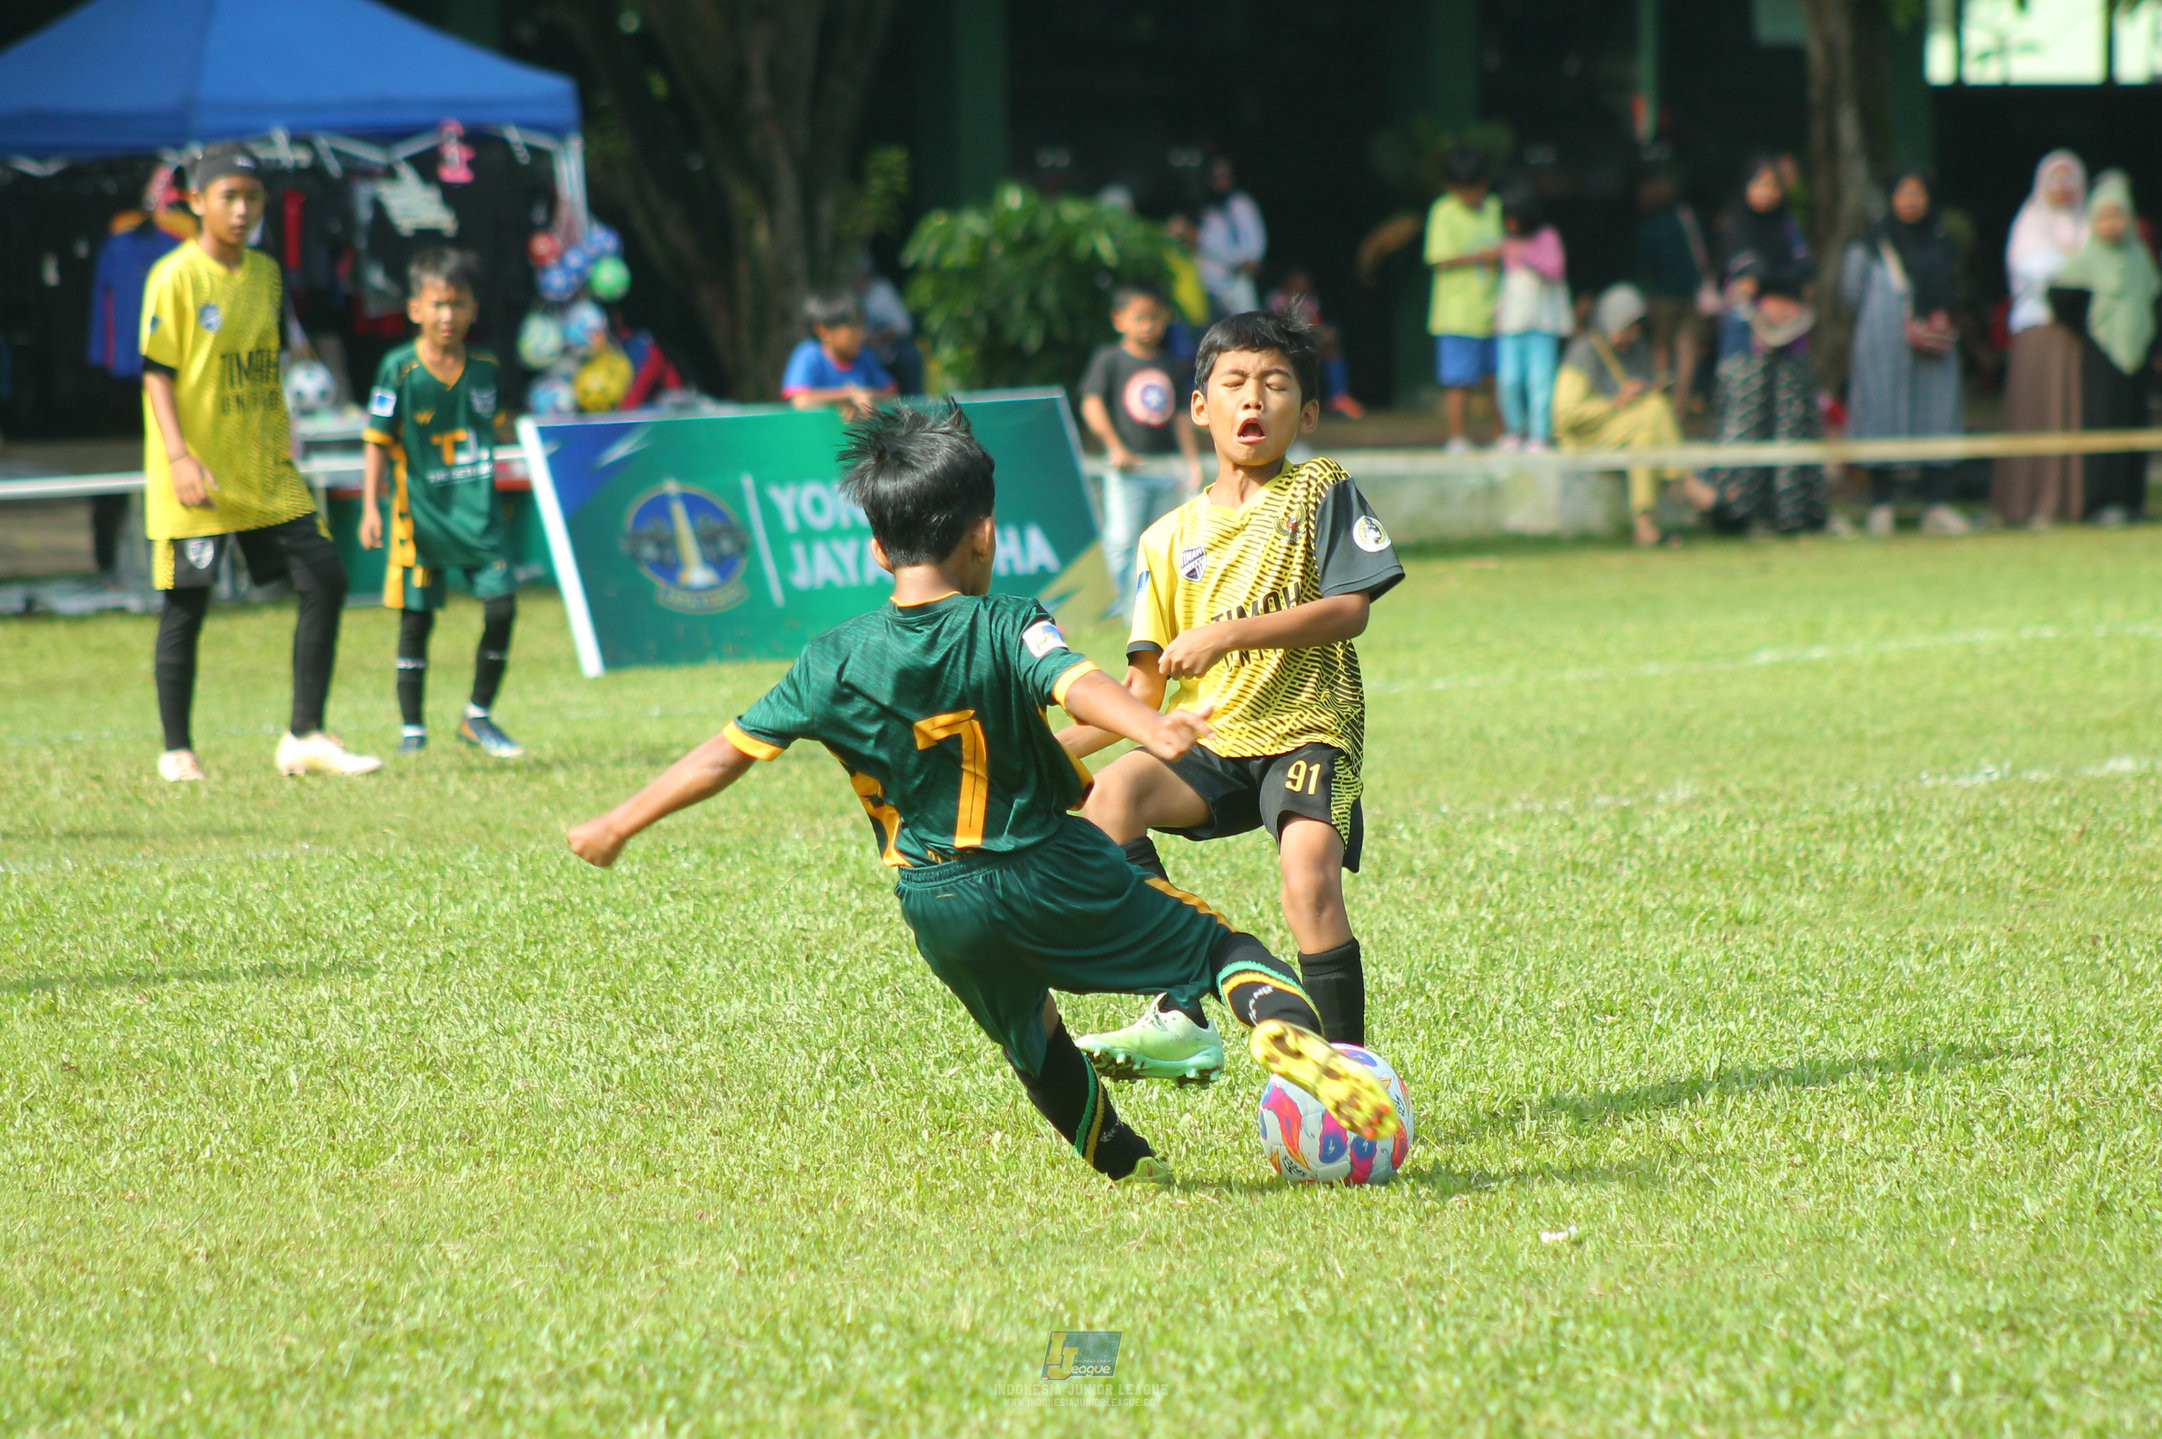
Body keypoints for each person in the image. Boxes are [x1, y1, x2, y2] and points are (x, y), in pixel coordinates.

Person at [566, 402, 1400, 1184]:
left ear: (876, 549)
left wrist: (619, 820)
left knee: (1032, 1036)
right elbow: (1076, 684)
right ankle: (1283, 1030)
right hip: (1048, 862)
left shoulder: (832, 657)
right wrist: (1155, 730)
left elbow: (726, 753)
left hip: (937, 903)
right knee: (1221, 950)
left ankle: (1135, 1168)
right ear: (985, 534)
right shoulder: (1005, 620)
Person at [1056, 311, 1404, 1082]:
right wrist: (1041, 748)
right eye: (1236, 383)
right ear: (1199, 407)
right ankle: (1180, 1008)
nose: (1256, 399)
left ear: (1306, 413)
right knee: (1109, 796)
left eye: (1277, 384)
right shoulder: (1165, 540)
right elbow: (1143, 690)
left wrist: (1227, 636)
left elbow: (1353, 608)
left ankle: (1348, 1076)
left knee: (1306, 874)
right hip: (1214, 738)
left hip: (1311, 727)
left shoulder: (1321, 487)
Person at [140, 144, 378, 782]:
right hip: (198, 472)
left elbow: (274, 359)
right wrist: (179, 456)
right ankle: (177, 750)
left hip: (265, 471)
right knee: (187, 606)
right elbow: (156, 376)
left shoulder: (269, 276)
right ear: (196, 203)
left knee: (325, 577)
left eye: (252, 198)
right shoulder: (176, 277)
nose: (242, 210)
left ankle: (305, 734)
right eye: (229, 197)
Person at [357, 248, 524, 759]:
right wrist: (369, 506)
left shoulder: (487, 367)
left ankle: (477, 716)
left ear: (473, 309)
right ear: (415, 309)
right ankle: (413, 730)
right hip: (420, 519)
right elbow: (377, 438)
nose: (447, 315)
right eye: (437, 304)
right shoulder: (398, 368)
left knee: (502, 608)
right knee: (417, 620)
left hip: (479, 515)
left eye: (458, 304)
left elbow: (498, 427)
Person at [1702, 156, 1832, 536]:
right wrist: (1780, 286)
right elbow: (1747, 274)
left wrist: (1773, 287)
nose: (1766, 193)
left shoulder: (1788, 228)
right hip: (1747, 341)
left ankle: (1792, 515)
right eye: (1758, 184)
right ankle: (1741, 514)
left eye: (1773, 185)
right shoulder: (1734, 227)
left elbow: (1804, 270)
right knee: (1746, 422)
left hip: (1790, 340)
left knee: (1791, 419)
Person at [1843, 169, 1969, 537]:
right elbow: (1850, 292)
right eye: (1903, 194)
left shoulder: (1943, 241)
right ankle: (1881, 505)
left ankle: (1936, 505)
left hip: (1933, 349)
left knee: (1936, 414)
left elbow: (1956, 287)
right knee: (1883, 415)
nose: (1911, 202)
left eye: (1918, 194)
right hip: (1882, 346)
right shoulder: (1869, 245)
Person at [1079, 281, 1203, 617]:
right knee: (1121, 541)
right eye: (1140, 318)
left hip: (1165, 468)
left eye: (1155, 318)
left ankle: (1150, 612)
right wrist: (1115, 448)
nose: (1148, 326)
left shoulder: (1169, 365)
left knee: (1162, 543)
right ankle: (1113, 609)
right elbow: (1092, 405)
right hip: (1126, 470)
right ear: (1119, 319)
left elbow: (1180, 415)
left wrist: (1191, 461)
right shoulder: (1110, 360)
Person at [1554, 284, 1711, 546]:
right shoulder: (1584, 352)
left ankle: (1645, 527)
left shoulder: (1636, 351)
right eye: (1626, 327)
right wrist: (1615, 403)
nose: (1632, 334)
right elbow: (1565, 415)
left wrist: (1648, 389)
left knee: (1646, 432)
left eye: (1636, 328)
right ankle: (1685, 482)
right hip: (1585, 436)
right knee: (1655, 409)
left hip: (1626, 429)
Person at [2050, 170, 2160, 526]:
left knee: (2133, 422)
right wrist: (2090, 328)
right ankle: (2101, 501)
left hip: (2138, 355)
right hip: (2100, 356)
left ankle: (2131, 499)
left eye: (2118, 216)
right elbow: (2061, 297)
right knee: (2103, 421)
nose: (2112, 224)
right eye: (2104, 217)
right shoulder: (2084, 260)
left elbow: (2153, 300)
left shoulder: (2140, 258)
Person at [1993, 151, 2090, 528]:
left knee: (2070, 413)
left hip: (2074, 333)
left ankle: (2068, 501)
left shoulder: (2087, 222)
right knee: (2035, 411)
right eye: (2056, 179)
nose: (2063, 188)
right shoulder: (2029, 222)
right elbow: (2028, 267)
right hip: (2037, 329)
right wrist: (2069, 264)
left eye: (2070, 180)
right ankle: (2026, 502)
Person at [1423, 146, 1505, 453]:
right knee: (1458, 381)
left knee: (1499, 378)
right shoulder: (1443, 211)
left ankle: (1502, 435)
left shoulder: (1495, 206)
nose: (1472, 195)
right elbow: (1438, 259)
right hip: (1456, 315)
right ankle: (1457, 439)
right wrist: (1485, 255)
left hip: (1496, 311)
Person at [1494, 191, 1571, 453]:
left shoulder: (1547, 237)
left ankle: (1540, 434)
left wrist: (1526, 254)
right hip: (1512, 324)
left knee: (1540, 381)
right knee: (1508, 379)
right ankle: (1514, 430)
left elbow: (1556, 268)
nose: (1509, 224)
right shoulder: (1506, 242)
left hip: (1542, 323)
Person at [1634, 170, 1716, 415]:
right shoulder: (1688, 219)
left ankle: (1659, 403)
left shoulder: (1648, 227)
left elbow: (1644, 266)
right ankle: (1679, 408)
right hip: (1690, 293)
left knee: (1660, 347)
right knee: (1687, 350)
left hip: (1661, 295)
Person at [1265, 267, 1366, 418]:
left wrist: (1325, 332)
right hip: (1279, 345)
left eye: (1304, 282)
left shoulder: (1309, 300)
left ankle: (1338, 398)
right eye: (1297, 282)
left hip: (1302, 342)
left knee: (1331, 346)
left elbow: (1314, 323)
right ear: (1288, 283)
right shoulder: (1276, 298)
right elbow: (1281, 326)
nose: (1302, 285)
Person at [780, 290, 897, 420]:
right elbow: (801, 401)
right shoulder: (809, 354)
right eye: (852, 328)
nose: (861, 335)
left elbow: (892, 395)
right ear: (823, 330)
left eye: (861, 326)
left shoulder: (865, 357)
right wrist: (849, 397)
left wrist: (867, 397)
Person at [1196, 157, 1267, 318]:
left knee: (1247, 327)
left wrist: (1251, 260)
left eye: (1225, 176)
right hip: (1210, 284)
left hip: (1239, 279)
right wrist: (1239, 261)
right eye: (1216, 177)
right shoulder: (1204, 210)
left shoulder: (1243, 203)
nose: (1221, 181)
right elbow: (1208, 243)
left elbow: (1256, 240)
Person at [856, 255, 923, 396]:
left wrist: (879, 337)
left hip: (900, 354)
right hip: (875, 357)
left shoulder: (881, 290)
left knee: (912, 398)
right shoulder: (857, 296)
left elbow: (904, 326)